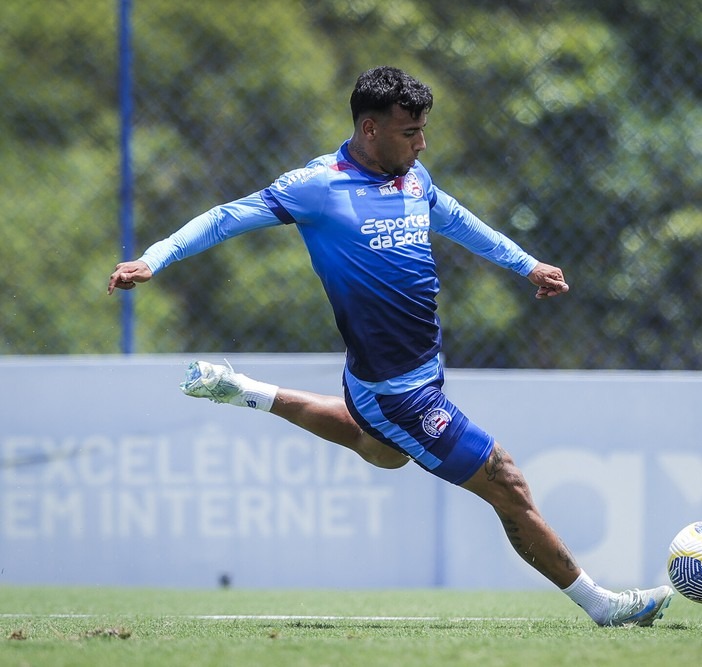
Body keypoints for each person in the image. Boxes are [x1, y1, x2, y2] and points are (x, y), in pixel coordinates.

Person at [108, 65, 672, 626]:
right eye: (411, 133)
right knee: (505, 481)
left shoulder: (415, 179)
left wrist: (527, 265)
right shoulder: (317, 187)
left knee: (383, 450)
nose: (422, 144)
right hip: (395, 392)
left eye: (424, 131)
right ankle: (604, 606)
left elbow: (460, 222)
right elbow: (222, 219)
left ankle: (245, 390)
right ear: (370, 129)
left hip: (409, 377)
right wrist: (152, 259)